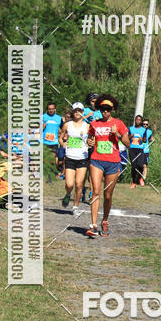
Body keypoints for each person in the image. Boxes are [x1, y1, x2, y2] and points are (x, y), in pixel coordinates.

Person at [86, 94, 131, 237]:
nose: (105, 111)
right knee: (96, 191)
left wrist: (117, 134)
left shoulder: (119, 123)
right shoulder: (94, 124)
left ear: (112, 110)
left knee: (107, 195)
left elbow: (128, 144)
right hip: (96, 160)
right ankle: (93, 225)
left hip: (113, 162)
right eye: (102, 109)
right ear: (99, 109)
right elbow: (90, 140)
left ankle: (104, 221)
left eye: (108, 109)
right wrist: (90, 143)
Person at [60, 103, 90, 213]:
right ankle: (68, 194)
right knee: (69, 184)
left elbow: (92, 139)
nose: (77, 113)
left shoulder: (87, 126)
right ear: (73, 112)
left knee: (79, 184)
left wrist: (90, 143)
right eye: (75, 111)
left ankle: (75, 206)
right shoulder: (67, 125)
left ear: (83, 112)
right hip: (70, 157)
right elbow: (61, 136)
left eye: (80, 111)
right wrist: (63, 143)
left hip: (82, 157)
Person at [42, 102, 62, 177]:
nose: (51, 110)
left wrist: (61, 134)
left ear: (55, 109)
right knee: (44, 159)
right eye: (49, 109)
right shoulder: (43, 117)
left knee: (52, 158)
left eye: (52, 109)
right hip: (44, 141)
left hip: (54, 142)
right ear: (47, 109)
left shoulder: (59, 118)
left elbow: (63, 129)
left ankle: (50, 172)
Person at [129, 114, 146, 188]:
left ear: (141, 121)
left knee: (140, 165)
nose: (137, 121)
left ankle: (140, 178)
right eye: (136, 119)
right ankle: (134, 182)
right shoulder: (130, 128)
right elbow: (126, 138)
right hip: (132, 149)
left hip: (140, 149)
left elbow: (145, 140)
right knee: (133, 166)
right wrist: (131, 136)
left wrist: (141, 139)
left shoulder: (143, 130)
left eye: (139, 120)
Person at [141, 118, 153, 184]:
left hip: (146, 150)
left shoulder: (149, 132)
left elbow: (151, 138)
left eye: (146, 124)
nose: (145, 125)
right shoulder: (139, 130)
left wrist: (152, 140)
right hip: (139, 149)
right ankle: (137, 178)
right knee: (138, 165)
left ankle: (143, 179)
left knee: (144, 165)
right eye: (144, 124)